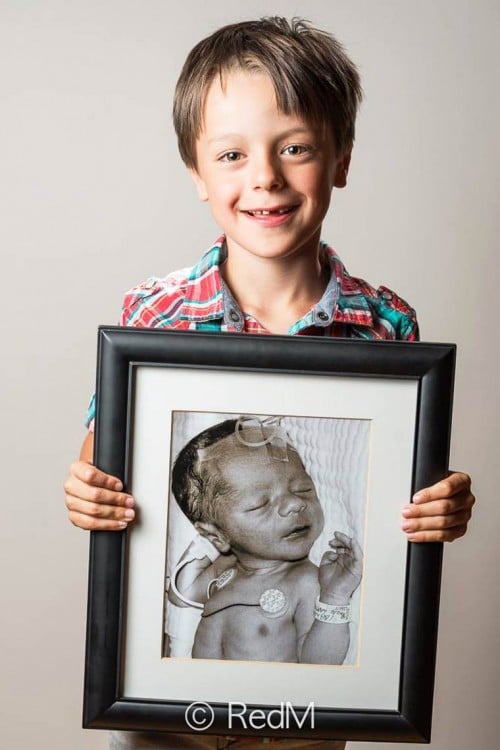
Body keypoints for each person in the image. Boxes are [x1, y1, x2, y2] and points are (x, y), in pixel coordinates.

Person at [64, 16, 475, 750]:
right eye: (231, 154)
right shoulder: (154, 315)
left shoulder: (385, 326)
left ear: (341, 157)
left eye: (296, 148)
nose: (265, 177)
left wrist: (438, 504)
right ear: (196, 171)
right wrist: (88, 489)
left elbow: (403, 495)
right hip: (170, 715)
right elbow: (104, 458)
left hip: (316, 712)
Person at [167, 416, 363, 664]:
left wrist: (334, 597)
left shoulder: (302, 580)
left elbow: (319, 664)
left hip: (264, 702)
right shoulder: (224, 571)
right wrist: (213, 539)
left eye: (302, 489)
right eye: (260, 504)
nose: (294, 503)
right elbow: (180, 592)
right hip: (204, 700)